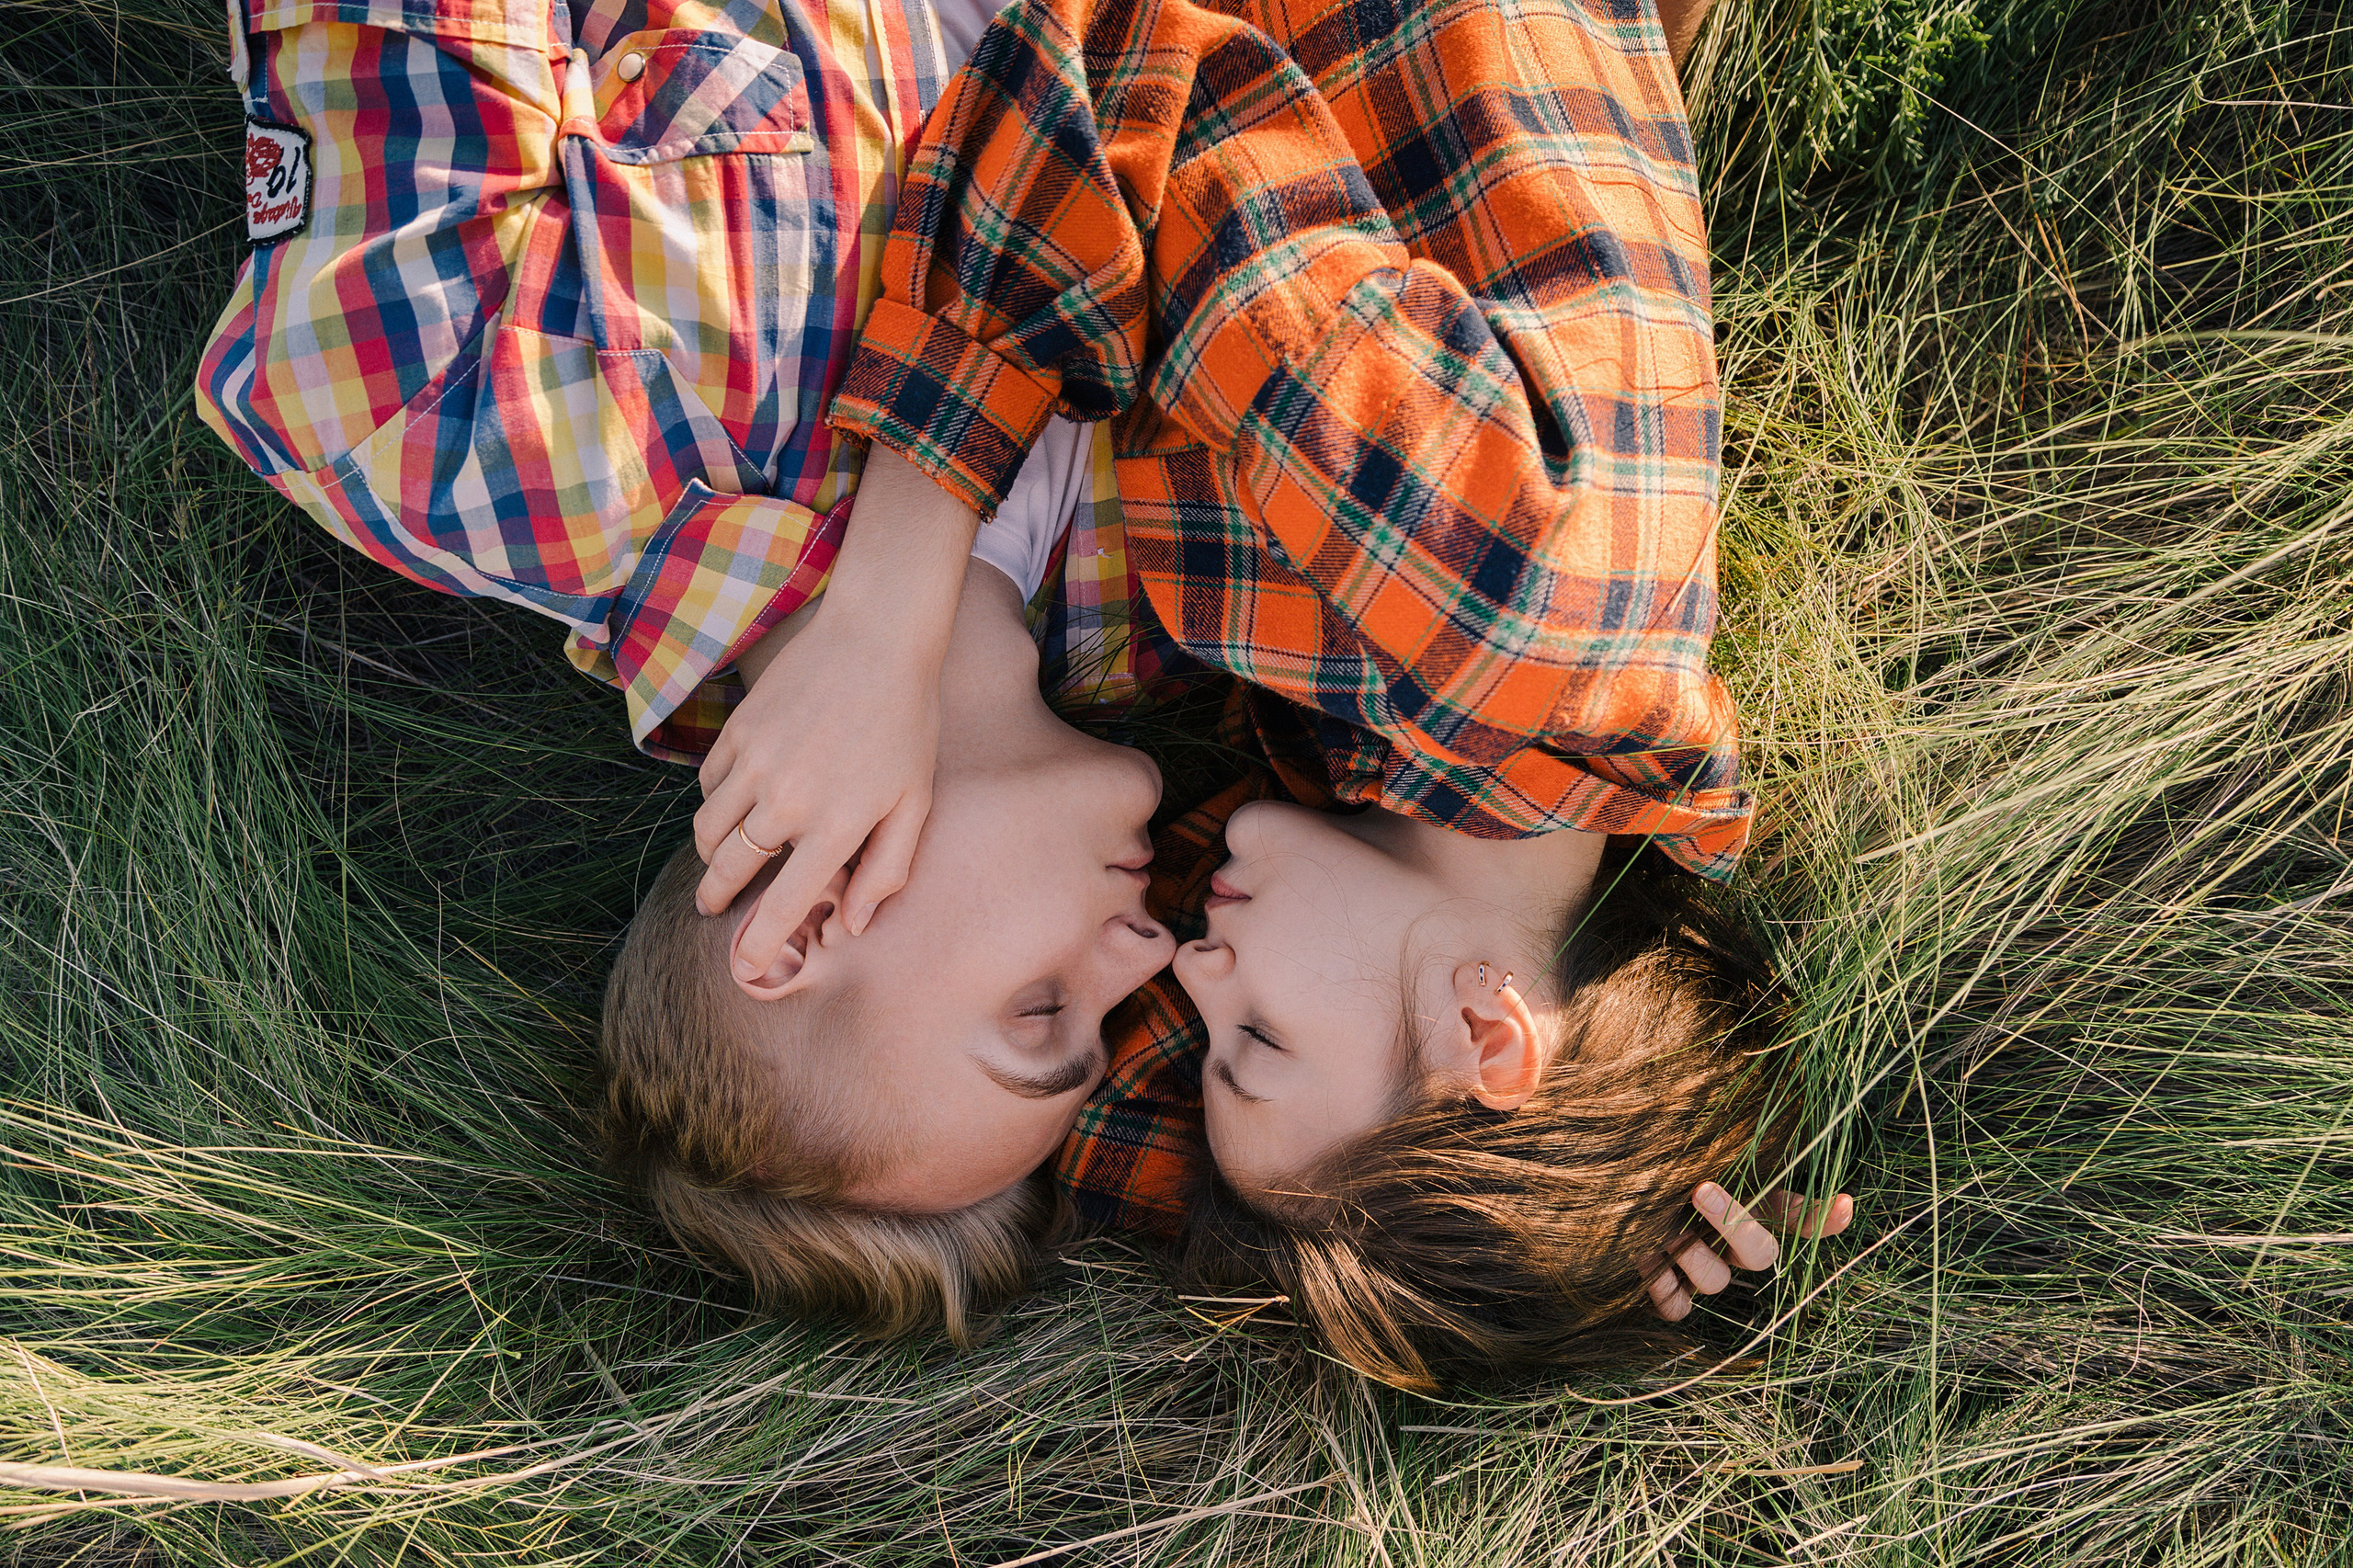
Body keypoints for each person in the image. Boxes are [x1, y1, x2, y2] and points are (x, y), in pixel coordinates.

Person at [824, 0, 1852, 1385]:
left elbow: (1102, 1120)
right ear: (1486, 1027)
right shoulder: (1493, 622)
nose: (1190, 971)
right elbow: (1128, 85)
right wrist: (883, 614)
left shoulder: (1406, 765)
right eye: (1255, 1039)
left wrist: (1602, 1237)